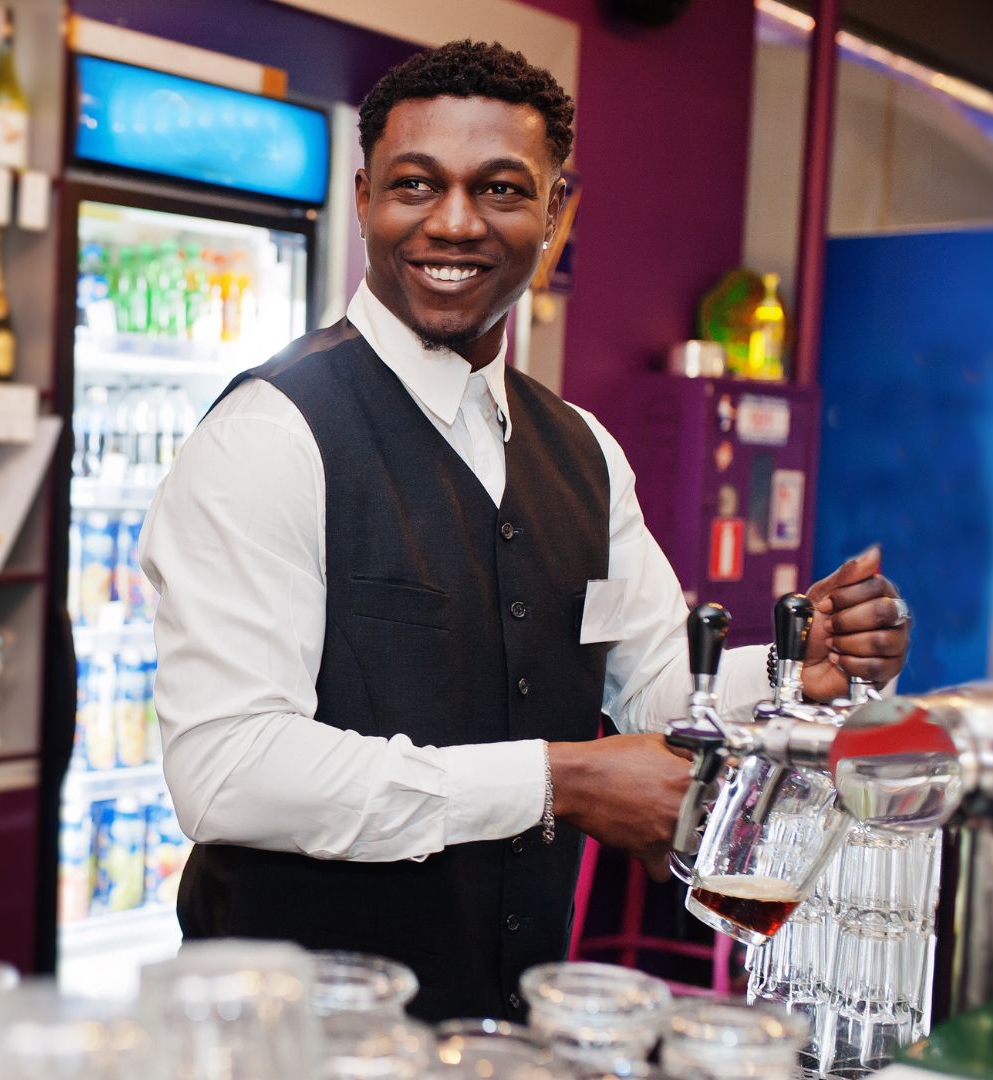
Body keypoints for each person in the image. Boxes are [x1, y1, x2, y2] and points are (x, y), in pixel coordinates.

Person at [137, 39, 912, 1022]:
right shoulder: (271, 434)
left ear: (558, 212)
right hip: (290, 1038)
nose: (454, 222)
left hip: (507, 1025)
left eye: (501, 190)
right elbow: (229, 771)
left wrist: (801, 674)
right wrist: (562, 781)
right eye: (417, 185)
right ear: (367, 193)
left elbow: (664, 693)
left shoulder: (582, 450)